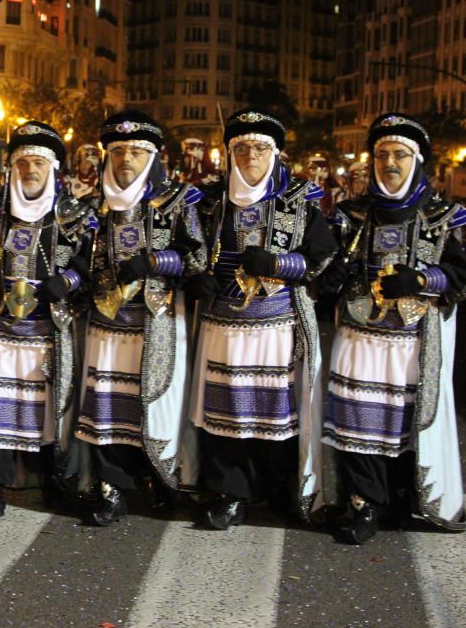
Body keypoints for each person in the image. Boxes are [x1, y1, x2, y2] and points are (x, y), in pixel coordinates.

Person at [319, 113, 466, 544]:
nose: (389, 163)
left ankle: (404, 498)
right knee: (356, 421)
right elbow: (325, 271)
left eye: (399, 154)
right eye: (381, 154)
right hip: (359, 336)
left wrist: (422, 280)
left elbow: (461, 274)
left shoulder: (447, 216)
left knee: (404, 421)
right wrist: (334, 274)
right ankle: (364, 503)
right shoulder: (350, 214)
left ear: (417, 160)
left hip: (414, 340)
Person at [188, 108, 337, 528]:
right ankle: (229, 492)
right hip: (222, 323)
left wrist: (278, 263)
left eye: (259, 147)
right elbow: (191, 250)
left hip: (277, 323)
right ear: (230, 153)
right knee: (227, 411)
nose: (249, 154)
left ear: (275, 154)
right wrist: (197, 276)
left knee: (275, 412)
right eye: (241, 147)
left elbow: (323, 258)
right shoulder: (210, 198)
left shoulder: (300, 199)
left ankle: (277, 490)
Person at [75, 111, 207, 525]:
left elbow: (198, 257)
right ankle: (111, 487)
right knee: (109, 406)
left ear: (152, 156)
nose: (126, 159)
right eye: (118, 151)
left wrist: (156, 260)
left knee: (155, 403)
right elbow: (77, 259)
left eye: (135, 151)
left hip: (158, 320)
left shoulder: (180, 201)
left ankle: (161, 478)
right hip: (107, 323)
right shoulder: (92, 207)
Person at [0, 121, 96, 518]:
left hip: (49, 329)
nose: (30, 171)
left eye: (38, 163)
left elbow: (89, 265)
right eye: (23, 163)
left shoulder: (75, 215)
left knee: (45, 408)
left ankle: (50, 479)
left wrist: (68, 281)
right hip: (0, 328)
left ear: (53, 168)